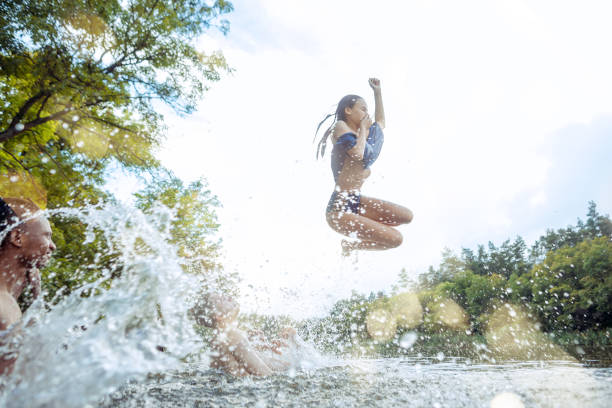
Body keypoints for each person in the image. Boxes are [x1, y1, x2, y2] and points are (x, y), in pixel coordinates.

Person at [315, 78, 413, 255]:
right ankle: (352, 246)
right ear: (348, 110)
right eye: (363, 109)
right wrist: (362, 130)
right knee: (396, 239)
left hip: (356, 201)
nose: (367, 114)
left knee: (407, 216)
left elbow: (381, 123)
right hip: (339, 210)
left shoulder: (365, 133)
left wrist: (378, 92)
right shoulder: (340, 127)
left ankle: (354, 242)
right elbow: (357, 153)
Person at [0, 197, 56, 375]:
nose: (52, 246)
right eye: (47, 236)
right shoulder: (3, 309)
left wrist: (35, 297)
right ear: (17, 237)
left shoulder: (7, 300)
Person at [190, 292, 296, 376]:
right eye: (221, 299)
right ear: (218, 315)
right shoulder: (231, 336)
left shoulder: (224, 337)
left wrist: (259, 348)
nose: (226, 296)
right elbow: (266, 376)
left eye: (222, 294)